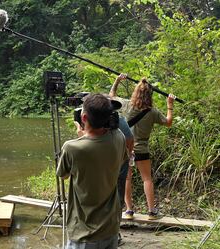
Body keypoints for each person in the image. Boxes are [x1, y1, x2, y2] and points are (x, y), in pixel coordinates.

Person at [57, 94, 128, 249]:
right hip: (111, 228)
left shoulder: (72, 147)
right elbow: (120, 158)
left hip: (84, 233)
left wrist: (81, 138)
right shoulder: (119, 137)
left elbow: (64, 175)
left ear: (83, 118)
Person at [109, 74, 175, 220]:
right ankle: (152, 212)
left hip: (126, 148)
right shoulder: (153, 112)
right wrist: (169, 104)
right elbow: (168, 122)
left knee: (127, 179)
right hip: (142, 149)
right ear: (150, 95)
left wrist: (118, 80)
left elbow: (111, 96)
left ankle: (129, 211)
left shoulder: (126, 105)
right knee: (147, 179)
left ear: (136, 93)